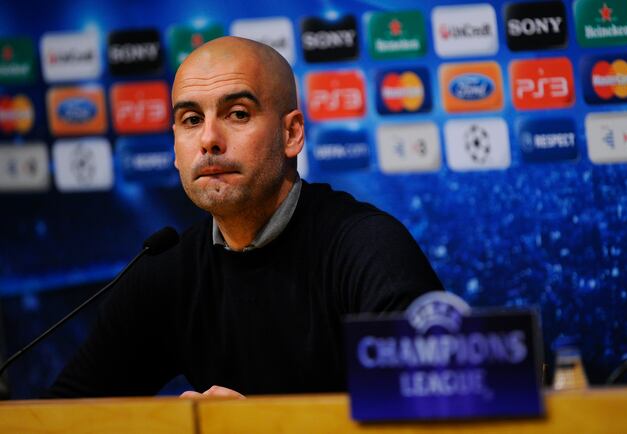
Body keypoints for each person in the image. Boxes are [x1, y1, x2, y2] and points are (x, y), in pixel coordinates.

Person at [48, 36, 444, 398]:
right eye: (191, 120)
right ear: (175, 147)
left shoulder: (367, 247)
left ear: (292, 134)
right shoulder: (166, 269)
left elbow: (434, 407)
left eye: (237, 114)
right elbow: (63, 414)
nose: (208, 139)